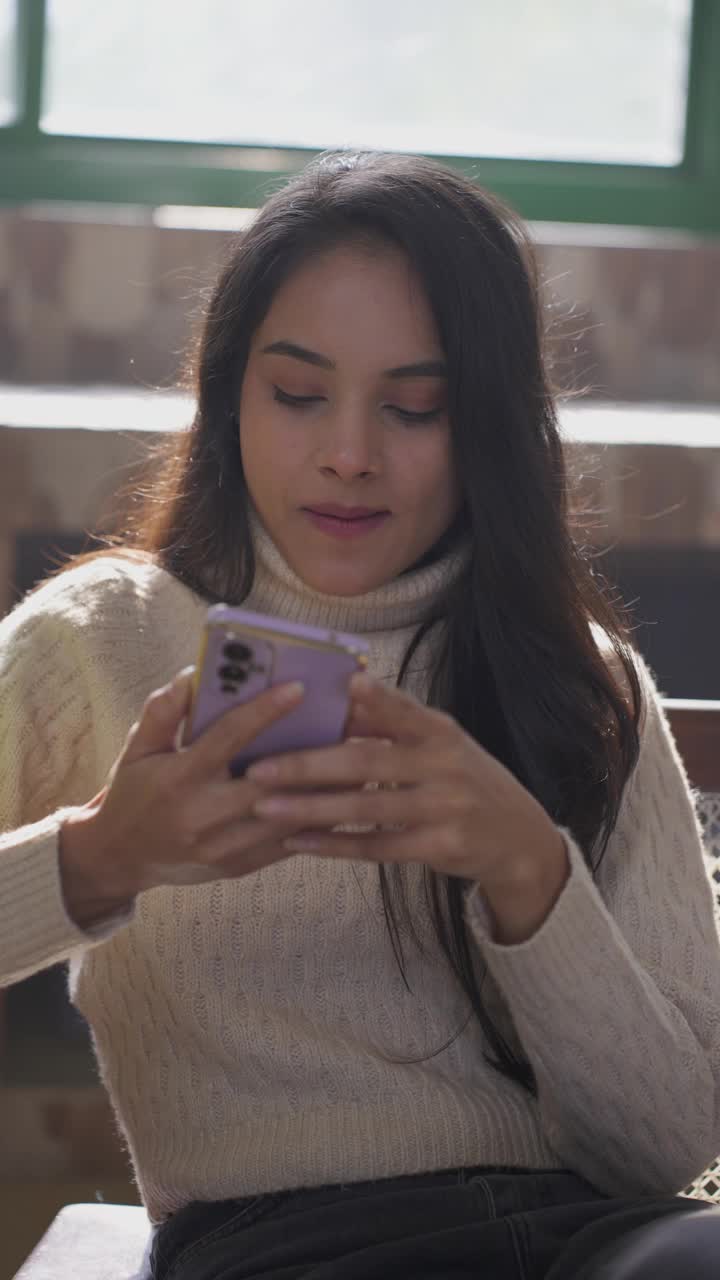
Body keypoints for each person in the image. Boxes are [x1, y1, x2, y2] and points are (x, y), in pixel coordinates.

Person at [1, 151, 719, 1280]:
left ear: (486, 422)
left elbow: (672, 1145)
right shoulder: (104, 640)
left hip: (600, 1240)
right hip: (281, 1245)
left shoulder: (582, 677)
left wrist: (528, 868)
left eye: (415, 406)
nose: (349, 453)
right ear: (228, 391)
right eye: (296, 394)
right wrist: (98, 858)